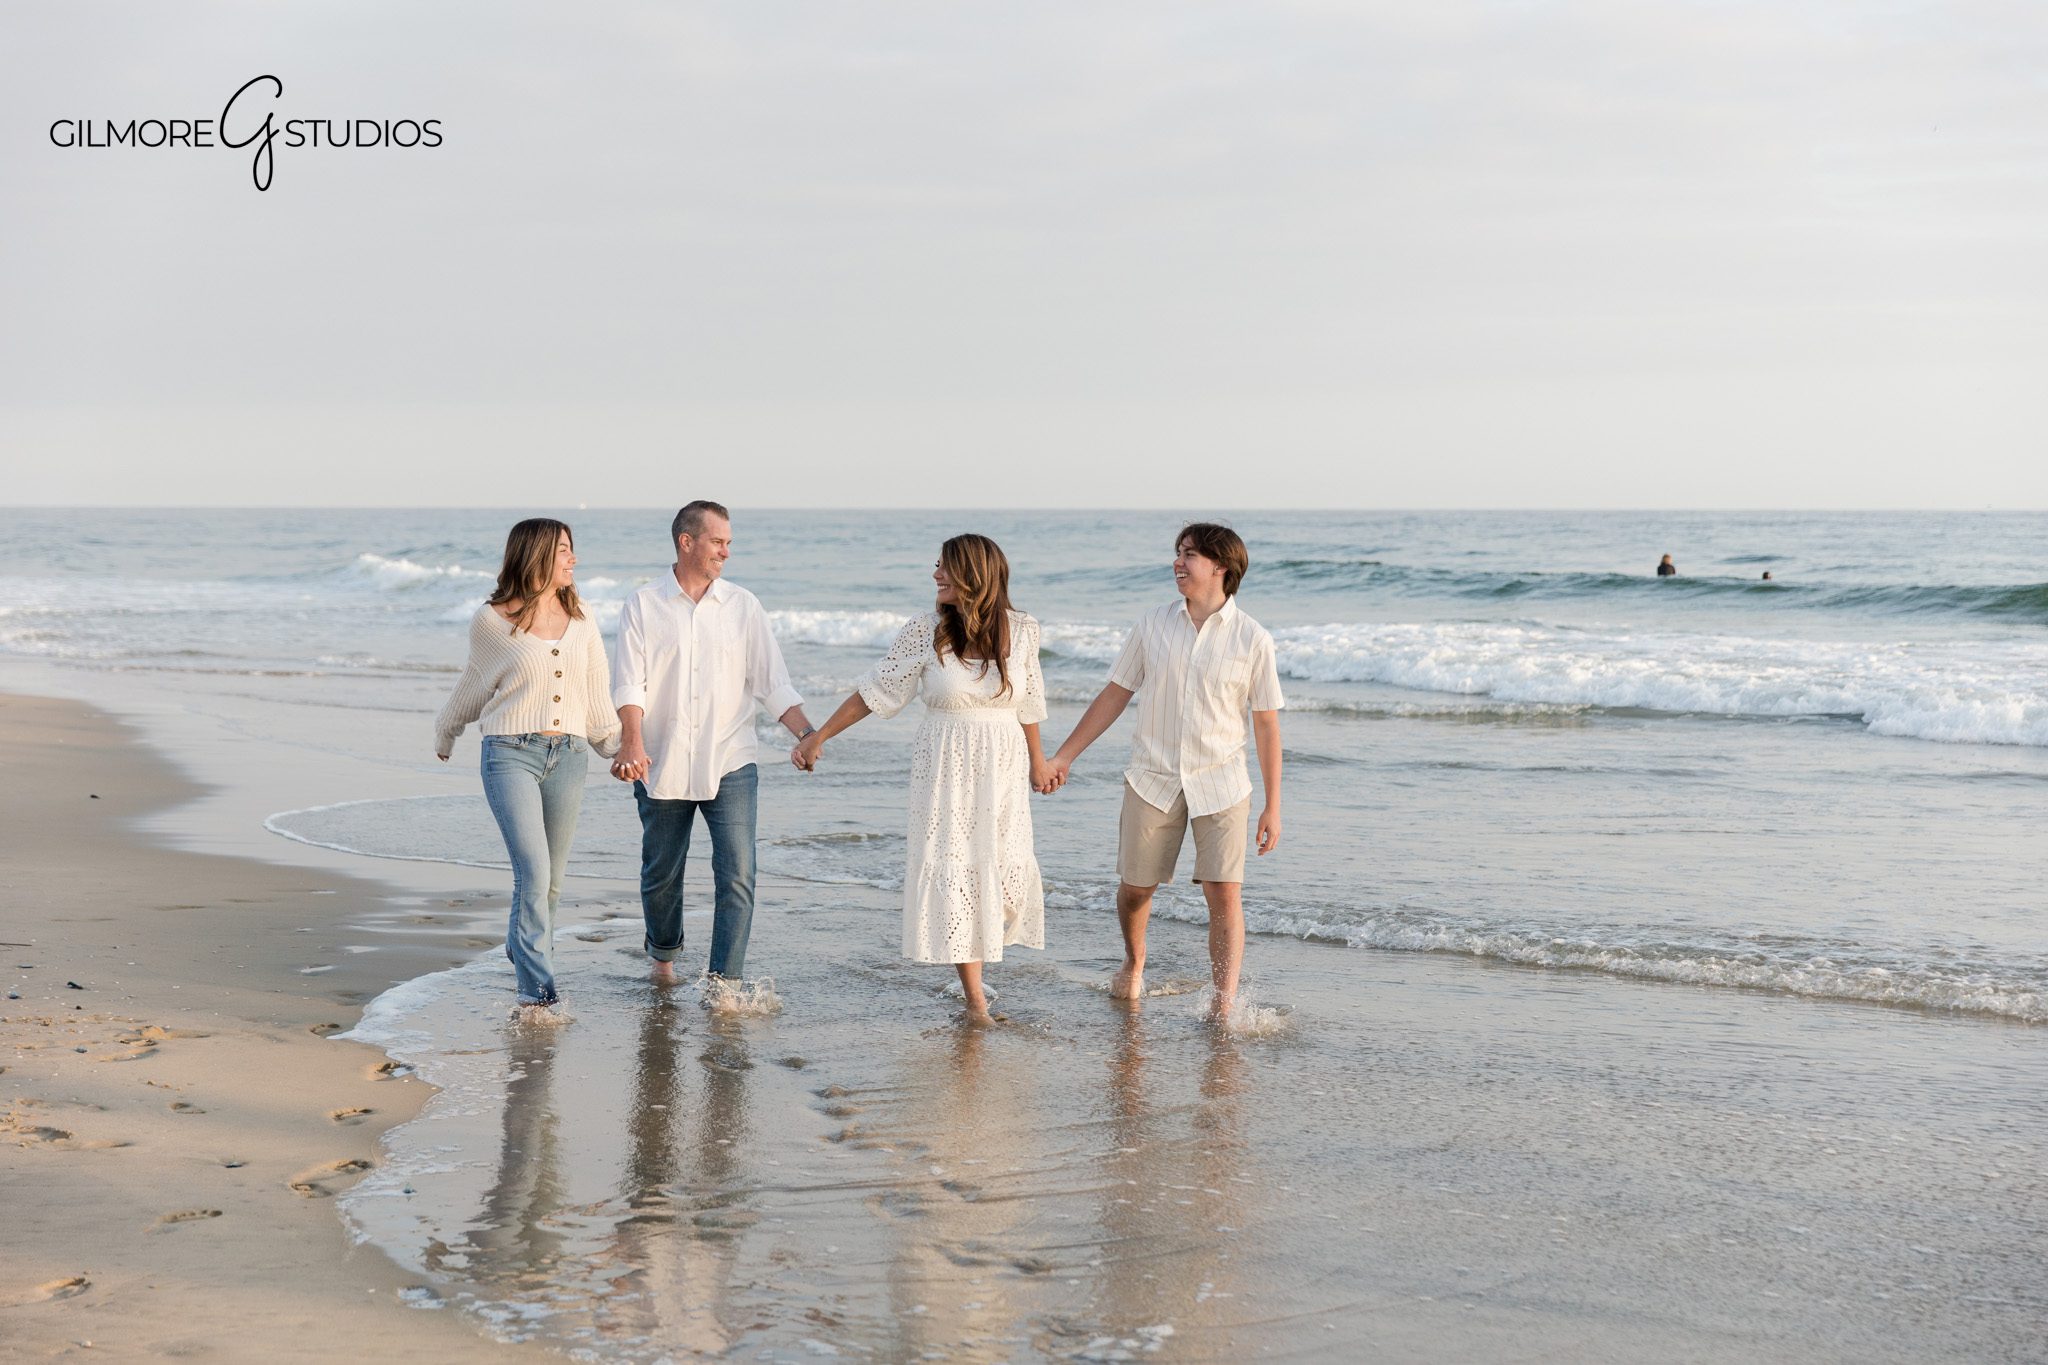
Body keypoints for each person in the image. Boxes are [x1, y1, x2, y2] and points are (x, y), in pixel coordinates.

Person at [792, 534, 1051, 1021]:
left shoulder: (1023, 629)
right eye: (936, 566)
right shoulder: (924, 631)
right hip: (946, 767)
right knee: (956, 872)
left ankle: (980, 966)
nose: (936, 575)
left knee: (1005, 876)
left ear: (975, 574)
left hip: (1003, 766)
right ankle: (975, 999)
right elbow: (876, 691)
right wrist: (819, 735)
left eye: (946, 568)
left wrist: (1040, 762)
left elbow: (1029, 703)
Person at [1046, 522, 1284, 1018]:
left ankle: (1223, 1002)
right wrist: (1064, 755)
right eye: (1178, 552)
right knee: (1136, 888)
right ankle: (1134, 962)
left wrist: (1273, 805)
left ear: (1221, 566)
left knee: (1224, 893)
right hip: (1152, 777)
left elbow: (1265, 725)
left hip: (1222, 782)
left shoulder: (1252, 638)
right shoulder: (1152, 624)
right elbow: (1115, 694)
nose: (1178, 562)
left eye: (1190, 554)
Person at [609, 501, 815, 993]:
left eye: (728, 543)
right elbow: (629, 684)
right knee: (661, 874)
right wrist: (631, 743)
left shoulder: (743, 606)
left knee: (738, 874)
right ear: (687, 542)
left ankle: (725, 983)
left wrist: (808, 735)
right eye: (718, 541)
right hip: (662, 759)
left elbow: (772, 683)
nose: (726, 551)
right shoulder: (643, 604)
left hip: (732, 759)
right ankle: (663, 956)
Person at [435, 518, 620, 1015]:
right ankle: (537, 993)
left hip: (570, 757)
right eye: (564, 550)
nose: (573, 559)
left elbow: (595, 693)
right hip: (509, 753)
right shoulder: (492, 620)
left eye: (572, 550)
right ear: (536, 554)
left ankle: (523, 952)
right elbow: (475, 682)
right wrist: (447, 729)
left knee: (551, 881)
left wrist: (616, 749)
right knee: (533, 873)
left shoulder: (582, 619)